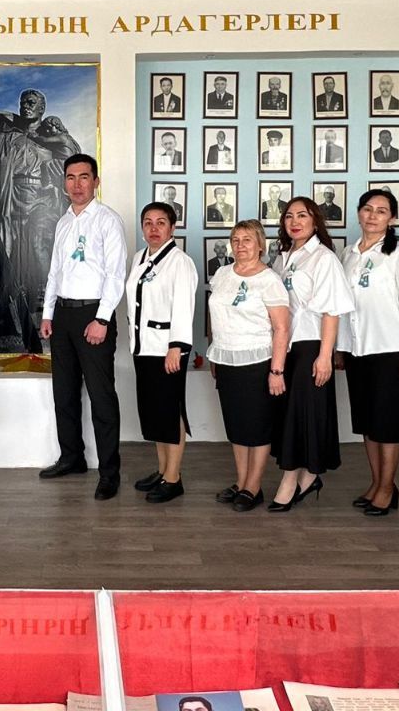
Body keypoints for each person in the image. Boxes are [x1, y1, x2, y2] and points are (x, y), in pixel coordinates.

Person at [39, 154, 128, 499]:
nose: (77, 185)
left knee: (101, 396)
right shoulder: (63, 222)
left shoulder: (108, 220)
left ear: (96, 181)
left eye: (84, 177)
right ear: (64, 182)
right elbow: (55, 272)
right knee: (64, 392)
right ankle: (71, 457)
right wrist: (48, 314)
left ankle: (109, 473)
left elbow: (115, 275)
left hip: (94, 314)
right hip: (63, 315)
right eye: (71, 177)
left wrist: (102, 319)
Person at [334, 189, 399, 516]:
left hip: (390, 348)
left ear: (393, 218)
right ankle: (376, 482)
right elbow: (341, 305)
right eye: (368, 209)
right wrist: (340, 348)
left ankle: (388, 487)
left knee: (387, 422)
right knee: (367, 423)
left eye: (382, 211)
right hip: (357, 348)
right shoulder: (348, 253)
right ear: (359, 213)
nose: (373, 216)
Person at [0, 88, 80, 353]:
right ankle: (11, 316)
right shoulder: (6, 138)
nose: (26, 105)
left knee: (39, 247)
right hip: (11, 200)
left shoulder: (52, 138)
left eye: (32, 102)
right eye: (23, 102)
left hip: (43, 201)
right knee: (10, 256)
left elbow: (74, 164)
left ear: (42, 108)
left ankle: (44, 311)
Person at [270, 198, 354, 512]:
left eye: (302, 215)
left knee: (303, 413)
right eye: (289, 216)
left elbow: (332, 310)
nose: (295, 221)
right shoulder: (283, 257)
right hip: (285, 346)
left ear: (315, 221)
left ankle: (291, 479)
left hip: (310, 345)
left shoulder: (323, 258)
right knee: (290, 414)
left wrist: (324, 355)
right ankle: (309, 475)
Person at [207, 219, 290, 512]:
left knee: (257, 427)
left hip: (257, 362)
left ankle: (253, 487)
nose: (240, 245)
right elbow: (217, 317)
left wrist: (277, 371)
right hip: (226, 359)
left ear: (260, 245)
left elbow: (282, 328)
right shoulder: (222, 274)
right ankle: (241, 481)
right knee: (236, 426)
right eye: (236, 240)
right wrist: (216, 354)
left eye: (247, 240)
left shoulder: (269, 280)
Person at [126, 202, 198, 504]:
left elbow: (183, 307)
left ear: (172, 227)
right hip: (143, 347)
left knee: (170, 412)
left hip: (167, 349)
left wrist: (176, 347)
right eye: (148, 222)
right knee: (154, 412)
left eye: (160, 223)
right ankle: (162, 469)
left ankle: (174, 477)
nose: (153, 229)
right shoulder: (139, 257)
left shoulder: (180, 262)